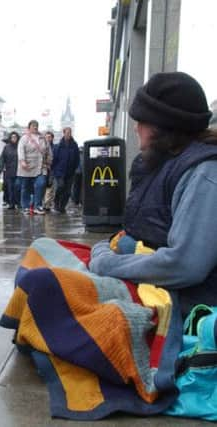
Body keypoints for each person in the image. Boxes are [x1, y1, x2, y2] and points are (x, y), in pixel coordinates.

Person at [90, 71, 217, 316]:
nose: (136, 128)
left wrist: (107, 262)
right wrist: (108, 250)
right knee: (42, 257)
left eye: (142, 121)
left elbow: (185, 265)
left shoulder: (204, 173)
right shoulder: (158, 163)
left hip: (182, 302)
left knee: (48, 291)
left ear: (163, 127)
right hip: (149, 282)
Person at [17, 120, 51, 215]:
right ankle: (26, 207)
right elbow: (20, 150)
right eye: (33, 126)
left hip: (41, 166)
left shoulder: (42, 138)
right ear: (29, 127)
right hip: (27, 167)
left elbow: (48, 151)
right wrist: (22, 161)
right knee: (26, 187)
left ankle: (38, 206)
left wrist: (49, 162)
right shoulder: (24, 138)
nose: (35, 127)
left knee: (41, 184)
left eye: (36, 125)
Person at [51, 127, 79, 213]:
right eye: (67, 133)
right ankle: (56, 201)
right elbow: (54, 159)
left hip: (70, 172)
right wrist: (54, 170)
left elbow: (77, 158)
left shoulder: (74, 145)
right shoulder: (58, 146)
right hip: (59, 172)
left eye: (70, 133)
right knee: (60, 186)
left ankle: (62, 207)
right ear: (64, 133)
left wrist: (75, 169)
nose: (68, 134)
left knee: (67, 191)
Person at [0, 131, 20, 210]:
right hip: (9, 171)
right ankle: (11, 203)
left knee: (17, 187)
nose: (14, 138)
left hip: (19, 171)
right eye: (12, 137)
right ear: (10, 138)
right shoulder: (6, 147)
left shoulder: (20, 147)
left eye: (15, 137)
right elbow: (2, 158)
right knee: (10, 188)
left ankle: (18, 202)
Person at [42, 131, 56, 211]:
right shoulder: (41, 147)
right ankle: (44, 203)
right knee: (42, 187)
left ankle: (47, 205)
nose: (48, 139)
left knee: (50, 187)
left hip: (51, 170)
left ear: (52, 138)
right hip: (42, 169)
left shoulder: (55, 147)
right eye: (46, 137)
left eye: (49, 137)